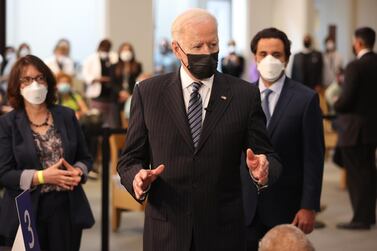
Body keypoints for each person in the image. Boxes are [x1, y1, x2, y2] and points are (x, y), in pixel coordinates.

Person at [117, 9, 282, 251]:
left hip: (223, 231)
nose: (207, 52)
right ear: (176, 49)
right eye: (198, 45)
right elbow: (129, 160)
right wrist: (137, 178)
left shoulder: (243, 95)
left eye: (213, 44)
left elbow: (270, 156)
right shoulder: (148, 93)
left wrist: (263, 170)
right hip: (166, 230)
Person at [241, 28, 324, 251]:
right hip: (246, 205)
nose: (269, 59)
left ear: (286, 58)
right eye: (263, 53)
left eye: (276, 54)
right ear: (255, 57)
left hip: (286, 204)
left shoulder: (305, 99)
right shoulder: (240, 96)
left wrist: (309, 205)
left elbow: (313, 157)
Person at [0, 55, 94, 251]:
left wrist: (78, 171)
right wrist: (42, 177)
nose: (34, 84)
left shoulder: (67, 115)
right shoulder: (7, 123)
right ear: (17, 86)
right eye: (26, 79)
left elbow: (85, 157)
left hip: (66, 207)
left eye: (39, 77)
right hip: (27, 209)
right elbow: (5, 173)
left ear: (48, 81)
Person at [334, 27, 377, 230]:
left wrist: (336, 102)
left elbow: (346, 101)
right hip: (372, 128)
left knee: (357, 175)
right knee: (368, 172)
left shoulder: (355, 66)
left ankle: (360, 219)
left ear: (358, 43)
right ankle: (368, 216)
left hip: (355, 130)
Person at [82, 39, 119, 128]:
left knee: (112, 124)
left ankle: (112, 141)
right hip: (97, 95)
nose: (105, 50)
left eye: (107, 48)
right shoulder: (91, 58)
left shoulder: (113, 58)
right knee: (96, 122)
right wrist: (97, 79)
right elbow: (85, 74)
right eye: (104, 47)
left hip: (111, 96)